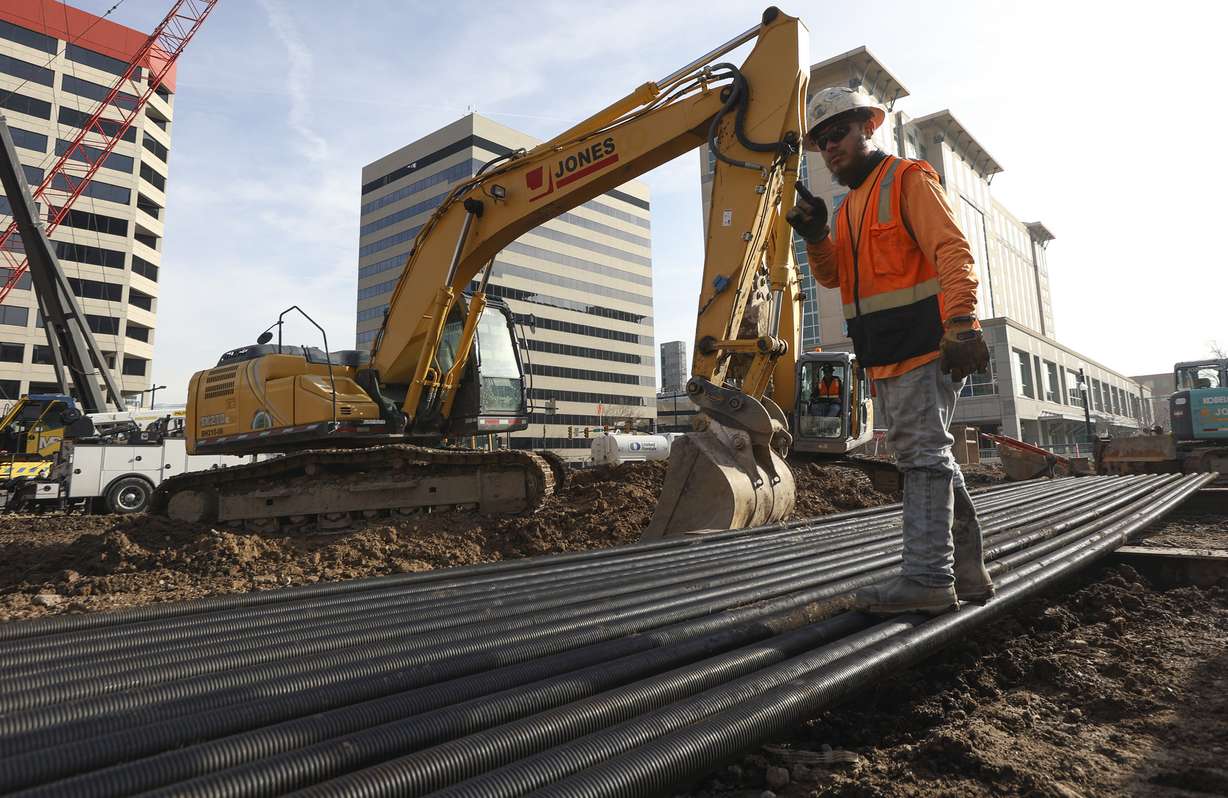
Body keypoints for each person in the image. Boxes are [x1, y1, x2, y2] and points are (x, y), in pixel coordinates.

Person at [786, 87, 993, 615]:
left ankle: (928, 578)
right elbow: (832, 277)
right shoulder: (851, 204)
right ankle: (966, 572)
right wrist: (815, 235)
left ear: (866, 128)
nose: (831, 147)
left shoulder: (907, 179)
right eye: (823, 141)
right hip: (885, 355)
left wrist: (963, 322)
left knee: (923, 457)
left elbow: (951, 249)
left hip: (925, 346)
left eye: (838, 134)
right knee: (932, 456)